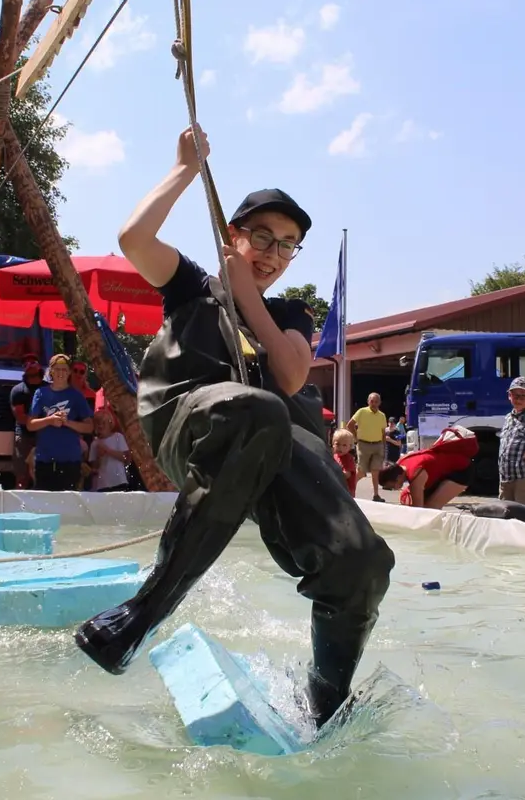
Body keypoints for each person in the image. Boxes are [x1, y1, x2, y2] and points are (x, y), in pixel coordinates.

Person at [74, 127, 394, 730]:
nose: (274, 252)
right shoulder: (194, 286)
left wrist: (249, 294)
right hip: (195, 425)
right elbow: (133, 238)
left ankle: (325, 703)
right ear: (233, 234)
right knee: (253, 408)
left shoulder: (289, 311)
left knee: (364, 562)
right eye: (262, 237)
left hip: (271, 449)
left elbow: (294, 374)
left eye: (289, 244)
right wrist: (184, 170)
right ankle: (142, 614)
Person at [28, 354, 94, 491]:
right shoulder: (40, 393)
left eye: (64, 369)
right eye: (57, 369)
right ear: (51, 371)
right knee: (43, 504)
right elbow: (30, 424)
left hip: (70, 460)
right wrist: (49, 420)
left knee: (67, 505)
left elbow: (89, 427)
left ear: (69, 372)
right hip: (44, 459)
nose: (61, 373)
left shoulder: (76, 395)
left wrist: (67, 422)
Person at [378, 426, 478, 510]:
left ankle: (438, 531)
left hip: (462, 471)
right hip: (445, 471)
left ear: (398, 477)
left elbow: (419, 511)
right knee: (420, 503)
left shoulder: (415, 476)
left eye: (392, 487)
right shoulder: (401, 462)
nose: (394, 489)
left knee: (432, 507)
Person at [496, 377, 525, 505]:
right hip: (505, 477)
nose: (519, 399)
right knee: (505, 515)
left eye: (523, 396)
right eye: (515, 395)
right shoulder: (508, 418)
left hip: (523, 478)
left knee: (522, 516)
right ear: (509, 396)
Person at [7, 357, 44, 488]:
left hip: (46, 436)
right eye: (26, 363)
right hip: (24, 436)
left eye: (34, 362)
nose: (30, 365)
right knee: (22, 475)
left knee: (44, 474)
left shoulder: (48, 389)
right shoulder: (18, 391)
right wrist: (44, 421)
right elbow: (20, 417)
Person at [346, 392, 388, 501]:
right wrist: (356, 438)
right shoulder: (361, 412)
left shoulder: (382, 415)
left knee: (375, 470)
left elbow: (383, 433)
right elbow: (349, 425)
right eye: (372, 401)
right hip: (363, 445)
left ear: (379, 403)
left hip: (378, 445)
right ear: (368, 401)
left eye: (376, 401)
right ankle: (347, 490)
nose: (374, 403)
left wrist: (384, 447)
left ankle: (376, 495)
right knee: (361, 472)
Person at [88, 408, 131, 492]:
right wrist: (99, 456)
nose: (100, 426)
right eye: (98, 423)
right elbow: (95, 467)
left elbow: (126, 459)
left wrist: (107, 450)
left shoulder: (118, 437)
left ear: (110, 423)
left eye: (103, 423)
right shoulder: (95, 443)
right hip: (102, 484)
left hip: (119, 481)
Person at [332, 429, 359, 495]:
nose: (340, 447)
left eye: (344, 445)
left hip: (347, 491)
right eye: (337, 444)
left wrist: (332, 474)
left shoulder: (348, 458)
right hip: (338, 489)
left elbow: (347, 474)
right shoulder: (334, 456)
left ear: (350, 447)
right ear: (333, 444)